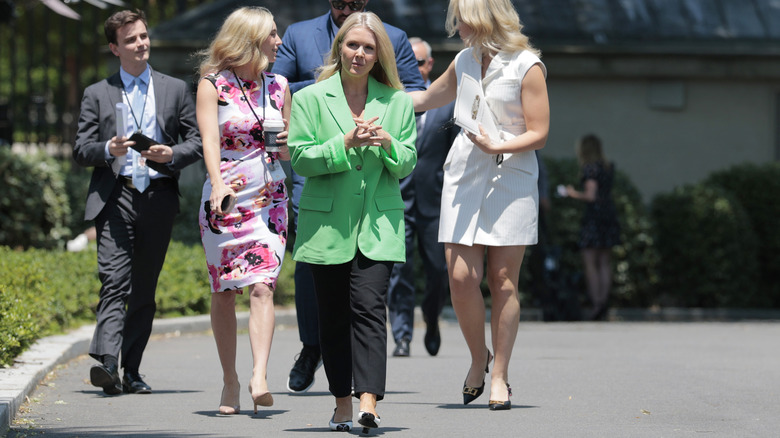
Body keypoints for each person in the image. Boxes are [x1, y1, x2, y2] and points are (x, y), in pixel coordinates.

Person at [271, 0, 425, 394]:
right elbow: (301, 158)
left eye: (369, 48)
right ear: (339, 47)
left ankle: (369, 400)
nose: (359, 54)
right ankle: (339, 397)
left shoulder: (396, 102)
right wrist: (343, 142)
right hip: (326, 216)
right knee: (333, 316)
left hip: (378, 224)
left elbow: (407, 162)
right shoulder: (310, 98)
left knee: (371, 310)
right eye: (352, 46)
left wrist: (389, 142)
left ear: (379, 55)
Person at [409, 0, 550, 410]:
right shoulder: (464, 61)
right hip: (465, 174)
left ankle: (500, 375)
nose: (458, 28)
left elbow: (540, 133)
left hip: (511, 175)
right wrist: (369, 92)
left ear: (488, 19)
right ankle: (478, 358)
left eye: (464, 20)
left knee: (503, 280)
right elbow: (424, 100)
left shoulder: (527, 65)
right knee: (460, 277)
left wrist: (499, 144)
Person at [73, 9, 202, 396]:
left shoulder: (175, 89)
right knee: (114, 281)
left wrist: (171, 154)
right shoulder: (97, 93)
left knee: (144, 288)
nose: (141, 44)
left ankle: (131, 370)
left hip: (158, 196)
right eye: (131, 40)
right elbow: (81, 149)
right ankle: (108, 363)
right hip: (116, 197)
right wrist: (107, 148)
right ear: (115, 48)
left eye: (143, 36)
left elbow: (196, 141)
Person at [195, 6, 291, 415]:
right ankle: (229, 381)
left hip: (270, 197)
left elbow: (289, 151)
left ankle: (259, 375)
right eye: (272, 34)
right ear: (251, 38)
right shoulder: (212, 84)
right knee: (224, 292)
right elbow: (210, 141)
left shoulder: (281, 86)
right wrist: (217, 182)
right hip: (226, 198)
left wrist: (288, 141)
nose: (279, 41)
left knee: (263, 284)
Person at [386, 37, 458, 358]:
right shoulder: (392, 100)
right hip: (396, 199)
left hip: (436, 201)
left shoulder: (447, 102)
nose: (410, 69)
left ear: (429, 65)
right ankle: (401, 335)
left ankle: (431, 317)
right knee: (398, 269)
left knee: (437, 270)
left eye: (417, 63)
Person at [564, 134, 620, 321]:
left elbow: (590, 195)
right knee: (604, 262)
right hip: (608, 214)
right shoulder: (607, 167)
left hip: (594, 218)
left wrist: (572, 194)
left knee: (590, 262)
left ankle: (596, 304)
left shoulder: (590, 169)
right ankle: (604, 302)